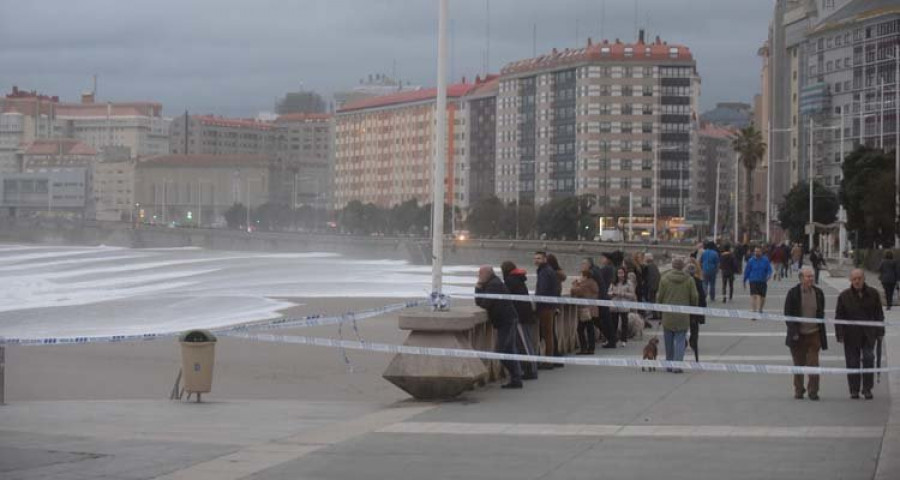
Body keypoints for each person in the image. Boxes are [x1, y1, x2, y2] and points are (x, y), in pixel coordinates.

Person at [835, 269, 885, 400]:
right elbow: (839, 316)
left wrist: (880, 331)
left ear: (864, 279)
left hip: (869, 333)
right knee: (852, 362)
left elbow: (879, 313)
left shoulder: (873, 294)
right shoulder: (844, 296)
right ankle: (854, 389)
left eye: (859, 278)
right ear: (850, 280)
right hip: (851, 334)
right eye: (854, 279)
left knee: (869, 358)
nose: (857, 281)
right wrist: (839, 333)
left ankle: (867, 388)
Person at [474, 265, 524, 389]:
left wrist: (479, 288)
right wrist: (479, 287)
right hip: (506, 319)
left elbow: (485, 304)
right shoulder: (492, 283)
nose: (478, 277)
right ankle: (516, 378)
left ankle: (516, 377)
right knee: (509, 349)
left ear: (488, 274)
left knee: (503, 351)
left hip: (506, 320)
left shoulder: (493, 285)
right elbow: (480, 302)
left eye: (480, 274)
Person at [783, 266, 827, 400]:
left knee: (814, 364)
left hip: (814, 334)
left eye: (812, 276)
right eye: (808, 276)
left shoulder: (819, 293)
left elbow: (821, 313)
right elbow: (788, 315)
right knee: (799, 365)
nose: (811, 279)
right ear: (801, 278)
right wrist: (794, 331)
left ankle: (813, 391)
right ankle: (799, 389)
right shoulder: (793, 293)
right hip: (798, 335)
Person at [657, 257, 699, 372]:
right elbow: (694, 296)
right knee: (680, 339)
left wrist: (658, 306)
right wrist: (693, 307)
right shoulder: (689, 280)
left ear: (672, 266)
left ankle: (669, 363)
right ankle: (677, 364)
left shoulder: (664, 279)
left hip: (668, 314)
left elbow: (659, 296)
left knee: (668, 340)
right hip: (683, 314)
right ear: (683, 266)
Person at [501, 261, 538, 380]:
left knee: (524, 344)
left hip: (521, 316)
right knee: (526, 342)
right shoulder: (518, 279)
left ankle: (531, 370)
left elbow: (505, 298)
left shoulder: (510, 281)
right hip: (526, 314)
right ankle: (530, 369)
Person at [533, 251, 560, 368]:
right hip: (550, 305)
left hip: (545, 307)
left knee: (547, 334)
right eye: (535, 258)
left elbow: (542, 290)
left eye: (539, 258)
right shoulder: (548, 270)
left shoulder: (544, 272)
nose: (536, 260)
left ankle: (548, 361)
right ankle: (550, 358)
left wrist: (537, 301)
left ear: (545, 259)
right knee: (549, 333)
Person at [571, 260, 600, 355]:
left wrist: (574, 285)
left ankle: (584, 347)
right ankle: (591, 348)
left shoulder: (586, 284)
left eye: (581, 276)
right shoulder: (592, 283)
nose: (580, 278)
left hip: (585, 310)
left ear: (585, 276)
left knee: (580, 329)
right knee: (590, 329)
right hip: (592, 309)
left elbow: (576, 292)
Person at [608, 267, 636, 347]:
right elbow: (609, 292)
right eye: (618, 273)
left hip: (624, 305)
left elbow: (632, 295)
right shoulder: (613, 283)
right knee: (614, 323)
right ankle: (614, 339)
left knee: (624, 323)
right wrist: (612, 293)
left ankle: (624, 340)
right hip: (614, 305)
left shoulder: (628, 283)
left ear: (624, 273)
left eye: (621, 273)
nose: (620, 275)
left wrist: (623, 294)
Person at [686, 262, 706, 362]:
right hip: (695, 308)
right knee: (694, 328)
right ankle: (693, 342)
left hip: (685, 308)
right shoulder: (698, 281)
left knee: (684, 327)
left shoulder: (684, 281)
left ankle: (684, 342)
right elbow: (702, 296)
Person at [743, 246, 773, 314]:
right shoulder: (751, 261)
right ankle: (754, 310)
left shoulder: (765, 260)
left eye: (758, 251)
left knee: (762, 297)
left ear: (761, 252)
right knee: (753, 296)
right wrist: (744, 280)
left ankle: (760, 309)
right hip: (753, 280)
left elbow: (769, 270)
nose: (757, 253)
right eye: (755, 251)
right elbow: (747, 271)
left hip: (762, 280)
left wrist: (769, 275)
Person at [597, 252, 616, 347]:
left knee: (604, 320)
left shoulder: (606, 269)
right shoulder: (611, 269)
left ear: (607, 259)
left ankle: (611, 339)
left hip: (602, 297)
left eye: (603, 258)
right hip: (606, 296)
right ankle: (611, 339)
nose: (601, 260)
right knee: (607, 320)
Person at [644, 253, 661, 320]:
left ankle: (654, 315)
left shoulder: (648, 266)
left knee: (652, 300)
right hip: (655, 285)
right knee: (654, 300)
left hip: (651, 286)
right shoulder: (654, 265)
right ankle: (656, 314)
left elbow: (647, 278)